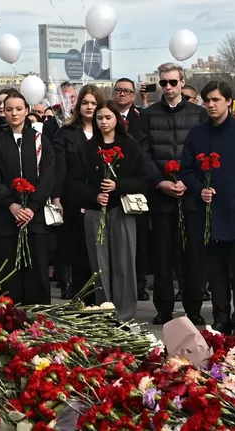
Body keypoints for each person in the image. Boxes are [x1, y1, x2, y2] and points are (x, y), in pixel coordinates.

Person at [177, 82, 235, 332]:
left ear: (229, 102)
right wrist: (198, 188)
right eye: (207, 100)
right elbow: (186, 169)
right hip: (208, 214)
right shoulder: (197, 134)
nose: (211, 105)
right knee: (215, 271)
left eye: (216, 99)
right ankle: (221, 317)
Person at [143, 63, 207, 325]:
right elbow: (144, 154)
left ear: (182, 82)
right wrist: (160, 182)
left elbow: (203, 154)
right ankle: (164, 308)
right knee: (162, 256)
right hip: (161, 196)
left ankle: (193, 308)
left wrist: (188, 182)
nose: (167, 88)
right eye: (163, 83)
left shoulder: (198, 114)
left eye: (172, 82)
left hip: (190, 195)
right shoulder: (148, 115)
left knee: (192, 255)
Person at [0, 93, 61, 304]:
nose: (14, 113)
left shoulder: (39, 141)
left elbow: (47, 176)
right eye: (9, 109)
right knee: (9, 275)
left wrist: (32, 207)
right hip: (6, 219)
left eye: (18, 109)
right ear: (3, 113)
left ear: (26, 110)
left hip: (33, 219)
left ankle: (38, 321)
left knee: (36, 271)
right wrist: (12, 204)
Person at [80, 101, 151, 320]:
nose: (104, 122)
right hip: (96, 210)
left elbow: (142, 178)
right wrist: (94, 196)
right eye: (99, 118)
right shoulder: (88, 148)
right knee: (99, 263)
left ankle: (125, 312)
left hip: (122, 210)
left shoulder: (129, 146)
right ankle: (104, 310)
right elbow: (75, 182)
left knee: (124, 261)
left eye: (108, 117)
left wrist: (117, 186)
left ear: (116, 119)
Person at [54, 86, 105, 301]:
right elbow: (58, 169)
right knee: (79, 254)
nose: (90, 107)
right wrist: (56, 198)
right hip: (74, 201)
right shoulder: (66, 133)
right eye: (86, 103)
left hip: (102, 201)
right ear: (78, 105)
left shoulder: (107, 130)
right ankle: (81, 301)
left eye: (94, 103)